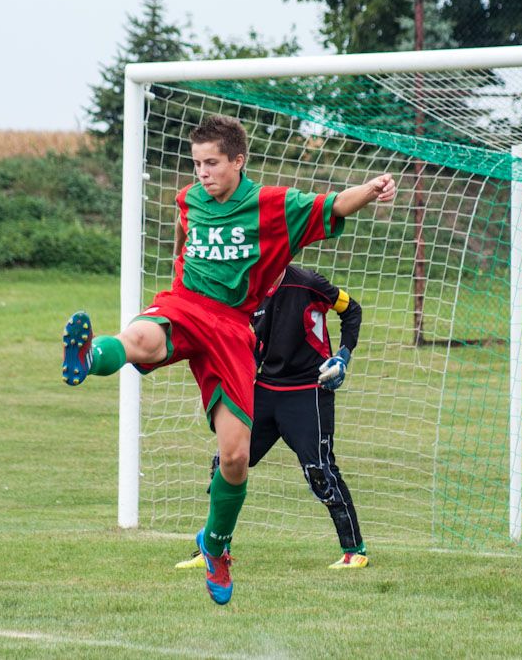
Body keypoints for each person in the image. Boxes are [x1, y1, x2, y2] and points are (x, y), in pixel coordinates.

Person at [61, 114, 396, 605]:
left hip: (233, 329)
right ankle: (89, 356)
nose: (202, 173)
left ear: (238, 161)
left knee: (235, 457)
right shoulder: (189, 200)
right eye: (197, 164)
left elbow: (333, 204)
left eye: (212, 163)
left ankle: (215, 547)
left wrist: (369, 188)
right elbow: (182, 229)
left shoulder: (273, 206)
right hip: (185, 304)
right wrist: (179, 273)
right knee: (143, 338)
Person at [175, 264, 368, 572]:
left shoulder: (308, 283)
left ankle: (354, 551)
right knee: (224, 464)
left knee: (319, 471)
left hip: (308, 390)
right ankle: (213, 550)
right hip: (264, 388)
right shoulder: (246, 290)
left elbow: (351, 309)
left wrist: (342, 358)